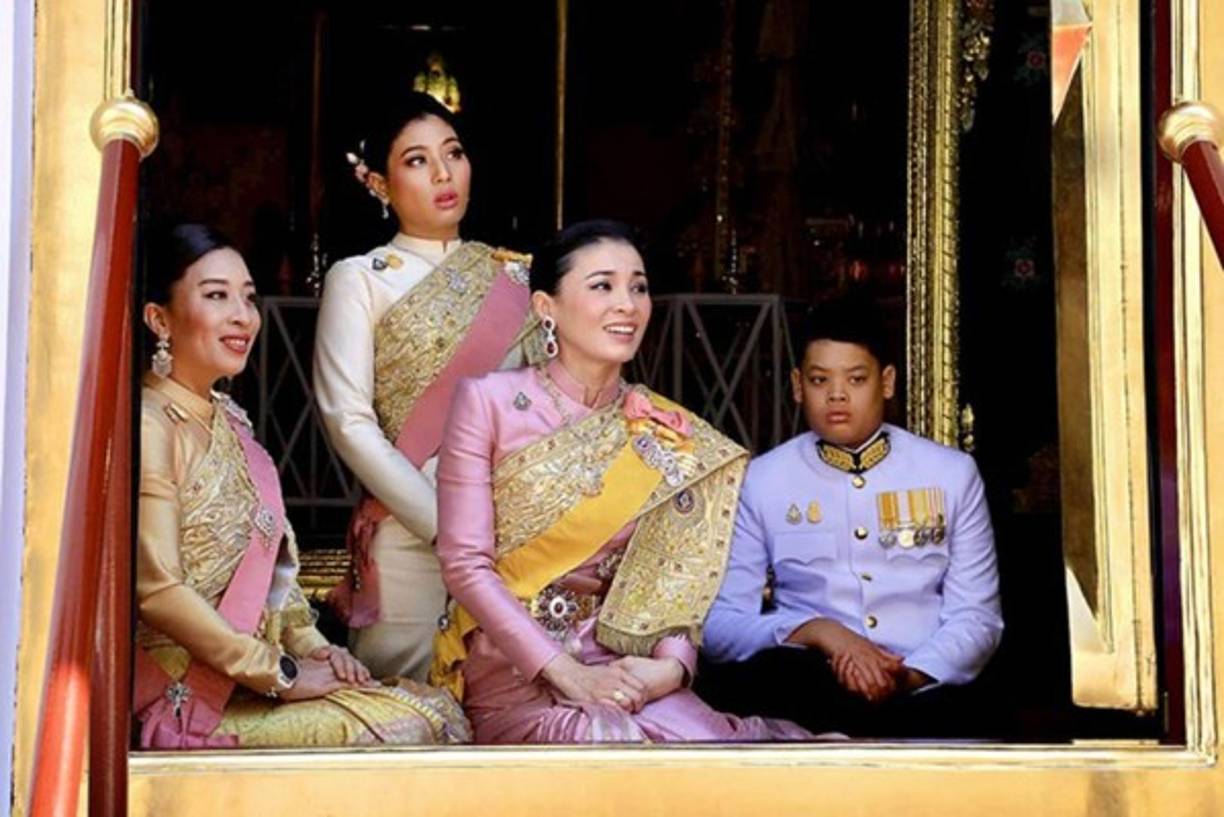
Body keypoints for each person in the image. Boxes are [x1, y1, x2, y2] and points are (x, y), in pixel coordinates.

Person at [428, 219, 811, 743]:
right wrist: (570, 677)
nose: (627, 304)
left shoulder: (664, 430)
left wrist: (671, 669)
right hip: (513, 668)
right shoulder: (487, 403)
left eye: (638, 286)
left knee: (734, 758)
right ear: (547, 307)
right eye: (602, 285)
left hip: (626, 667)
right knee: (611, 750)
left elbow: (677, 577)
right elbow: (464, 565)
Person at [136, 224, 469, 748]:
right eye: (216, 296)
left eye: (247, 298)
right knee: (410, 727)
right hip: (182, 689)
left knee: (432, 708)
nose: (242, 316)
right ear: (159, 319)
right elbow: (156, 589)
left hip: (254, 678)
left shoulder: (231, 421)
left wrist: (315, 649)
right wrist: (281, 672)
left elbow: (274, 586)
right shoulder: (150, 423)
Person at [697, 295, 1004, 737]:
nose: (837, 395)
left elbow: (977, 618)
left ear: (887, 381)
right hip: (810, 691)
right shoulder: (762, 480)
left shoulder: (951, 474)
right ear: (798, 385)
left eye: (856, 379)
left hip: (927, 692)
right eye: (820, 380)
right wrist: (820, 632)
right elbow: (722, 628)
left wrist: (909, 674)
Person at [313, 92, 540, 681]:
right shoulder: (360, 279)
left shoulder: (514, 278)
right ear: (379, 184)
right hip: (412, 531)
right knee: (405, 711)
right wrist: (444, 523)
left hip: (508, 531)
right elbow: (347, 417)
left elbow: (543, 402)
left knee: (504, 709)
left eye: (454, 153)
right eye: (416, 160)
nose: (443, 174)